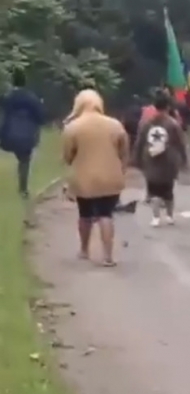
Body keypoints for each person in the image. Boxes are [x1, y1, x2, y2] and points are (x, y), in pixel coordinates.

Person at [61, 89, 129, 266]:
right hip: (110, 178)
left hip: (84, 180)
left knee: (85, 214)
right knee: (106, 214)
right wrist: (122, 168)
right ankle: (108, 256)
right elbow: (123, 151)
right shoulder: (115, 125)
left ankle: (84, 250)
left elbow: (68, 156)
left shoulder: (73, 127)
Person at [133, 91, 187, 227]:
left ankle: (156, 217)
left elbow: (139, 142)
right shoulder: (173, 124)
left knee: (154, 190)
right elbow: (180, 143)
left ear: (154, 106)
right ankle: (169, 216)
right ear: (168, 107)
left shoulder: (147, 123)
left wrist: (137, 159)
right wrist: (184, 159)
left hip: (151, 160)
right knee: (168, 190)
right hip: (169, 161)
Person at [0, 70, 45, 199]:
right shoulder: (32, 98)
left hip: (7, 135)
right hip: (26, 137)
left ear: (12, 81)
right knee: (24, 161)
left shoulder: (7, 97)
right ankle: (23, 190)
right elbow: (41, 118)